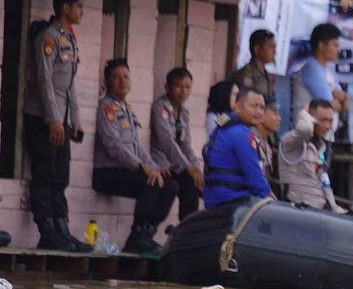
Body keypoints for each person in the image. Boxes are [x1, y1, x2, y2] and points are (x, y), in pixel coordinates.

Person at [23, 0, 90, 251]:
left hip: (59, 119)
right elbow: (44, 81)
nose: (82, 12)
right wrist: (52, 118)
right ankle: (47, 229)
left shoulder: (69, 39)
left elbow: (69, 84)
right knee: (44, 174)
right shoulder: (48, 38)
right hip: (42, 118)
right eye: (80, 7)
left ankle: (62, 229)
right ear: (66, 8)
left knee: (60, 175)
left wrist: (75, 119)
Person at [91, 60, 179, 254]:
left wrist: (153, 165)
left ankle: (147, 233)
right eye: (116, 77)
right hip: (106, 172)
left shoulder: (127, 109)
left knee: (171, 185)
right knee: (152, 183)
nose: (122, 81)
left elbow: (136, 146)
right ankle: (136, 236)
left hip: (127, 170)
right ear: (107, 82)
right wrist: (141, 167)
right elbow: (113, 146)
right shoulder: (106, 108)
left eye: (125, 76)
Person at [202, 87, 275, 208]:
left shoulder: (225, 126)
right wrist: (269, 196)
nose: (258, 111)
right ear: (238, 107)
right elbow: (255, 178)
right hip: (231, 199)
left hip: (216, 197)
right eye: (253, 106)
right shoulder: (242, 134)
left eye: (262, 107)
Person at [149, 67, 204, 220]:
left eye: (187, 87)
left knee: (195, 183)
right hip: (161, 164)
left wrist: (196, 168)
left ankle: (187, 228)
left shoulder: (184, 113)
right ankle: (148, 230)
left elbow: (186, 146)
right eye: (178, 86)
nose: (183, 91)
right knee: (171, 186)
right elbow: (167, 141)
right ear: (167, 87)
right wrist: (188, 167)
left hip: (177, 165)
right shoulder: (160, 107)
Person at [277, 100, 341, 211]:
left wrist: (334, 207)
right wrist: (303, 113)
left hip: (320, 210)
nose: (327, 126)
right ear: (311, 119)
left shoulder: (320, 147)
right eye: (323, 120)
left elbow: (324, 182)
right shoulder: (291, 142)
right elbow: (306, 129)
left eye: (330, 121)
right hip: (299, 210)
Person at [291, 23, 347, 124]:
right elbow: (330, 106)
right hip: (308, 135)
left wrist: (342, 100)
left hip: (325, 136)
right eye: (335, 45)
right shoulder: (312, 69)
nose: (338, 50)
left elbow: (345, 102)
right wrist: (339, 101)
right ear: (321, 46)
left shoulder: (327, 70)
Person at [234, 29, 276, 100]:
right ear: (257, 49)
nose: (274, 51)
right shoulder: (247, 73)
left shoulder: (267, 75)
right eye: (270, 46)